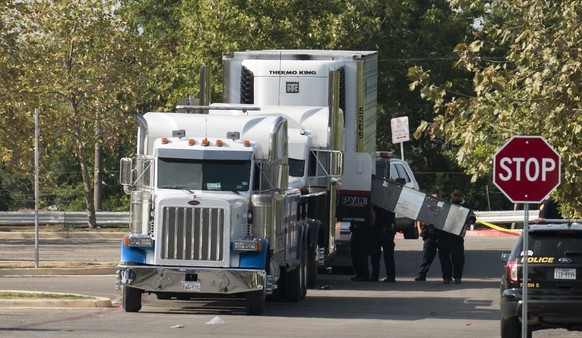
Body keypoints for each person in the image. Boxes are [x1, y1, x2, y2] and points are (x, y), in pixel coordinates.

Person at [436, 187, 468, 284]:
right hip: (443, 236)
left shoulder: (463, 208)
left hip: (456, 237)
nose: (457, 198)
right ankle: (446, 277)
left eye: (459, 196)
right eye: (455, 195)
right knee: (444, 258)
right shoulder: (444, 205)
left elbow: (471, 217)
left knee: (458, 258)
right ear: (451, 195)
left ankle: (457, 276)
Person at [369, 204, 396, 282]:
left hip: (378, 230)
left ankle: (375, 276)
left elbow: (373, 218)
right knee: (388, 255)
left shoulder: (376, 204)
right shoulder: (391, 204)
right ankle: (391, 276)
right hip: (388, 231)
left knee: (376, 255)